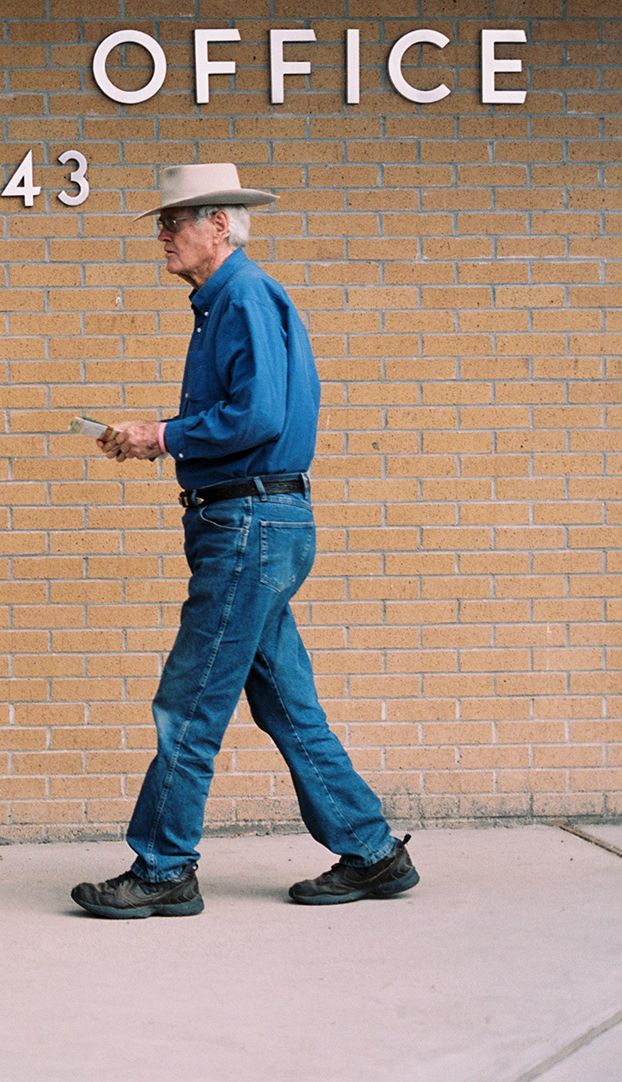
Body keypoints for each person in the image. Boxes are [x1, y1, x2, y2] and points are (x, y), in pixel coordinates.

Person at [70, 162, 419, 919]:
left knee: (188, 703)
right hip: (259, 524)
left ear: (219, 225)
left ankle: (162, 869)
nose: (162, 236)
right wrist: (155, 438)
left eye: (174, 222)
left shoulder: (242, 296)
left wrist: (160, 435)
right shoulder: (227, 301)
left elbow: (256, 417)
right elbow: (247, 413)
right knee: (285, 703)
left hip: (247, 528)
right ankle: (371, 852)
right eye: (163, 223)